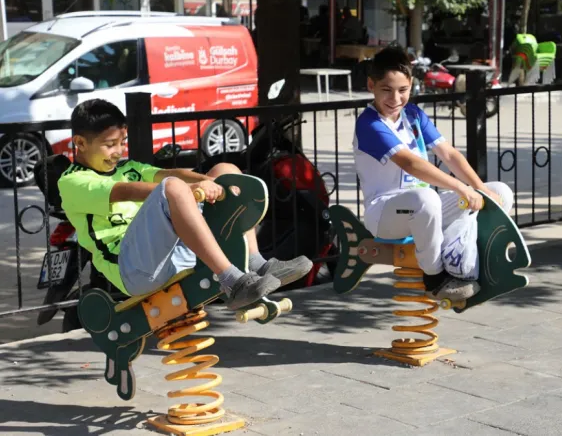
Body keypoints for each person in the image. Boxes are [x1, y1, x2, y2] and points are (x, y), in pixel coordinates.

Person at [57, 99, 312, 310]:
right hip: (134, 269)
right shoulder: (73, 181)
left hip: (170, 254)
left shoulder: (128, 167)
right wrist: (188, 190)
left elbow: (170, 173)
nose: (119, 151)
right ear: (80, 143)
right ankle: (233, 283)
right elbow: (125, 191)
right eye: (110, 145)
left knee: (226, 171)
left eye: (122, 143)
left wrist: (208, 182)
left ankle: (255, 263)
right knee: (172, 188)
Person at [352, 46, 514, 302]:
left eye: (403, 90)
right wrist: (462, 189)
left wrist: (479, 187)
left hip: (423, 210)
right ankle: (435, 276)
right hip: (384, 214)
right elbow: (411, 164)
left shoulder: (414, 115)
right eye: (386, 90)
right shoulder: (369, 124)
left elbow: (449, 155)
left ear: (411, 86)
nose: (395, 98)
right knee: (426, 198)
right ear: (371, 85)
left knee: (500, 193)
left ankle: (470, 257)